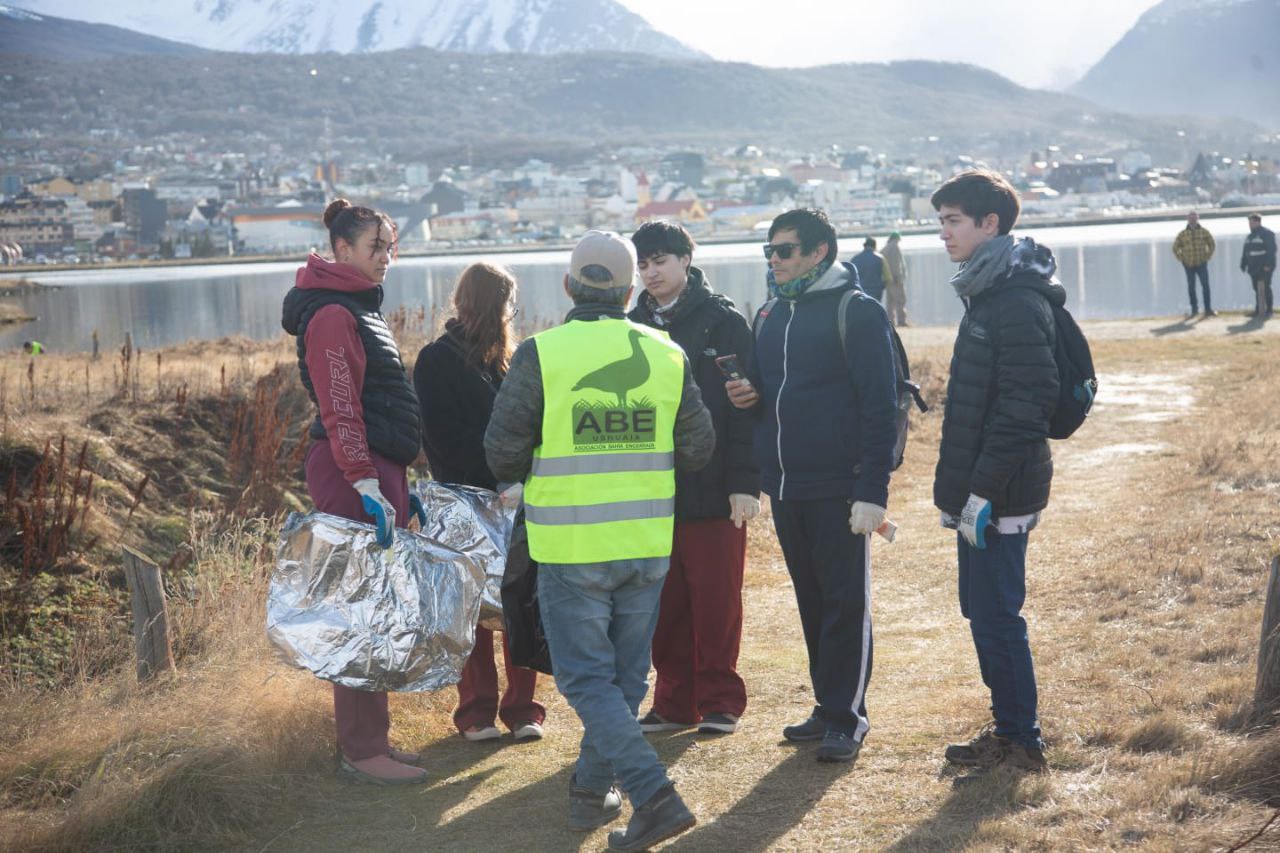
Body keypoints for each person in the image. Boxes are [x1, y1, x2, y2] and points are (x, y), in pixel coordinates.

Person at [485, 230, 713, 850]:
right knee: (626, 675)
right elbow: (698, 447)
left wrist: (532, 468)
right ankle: (590, 793)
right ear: (629, 289)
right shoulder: (666, 352)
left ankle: (656, 797)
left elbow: (501, 448)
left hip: (570, 547)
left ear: (568, 287)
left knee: (588, 681)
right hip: (645, 541)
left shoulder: (542, 353)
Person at [726, 208, 899, 764]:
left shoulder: (858, 311)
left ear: (819, 251)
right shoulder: (770, 312)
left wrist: (873, 493)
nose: (774, 261)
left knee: (845, 603)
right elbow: (764, 392)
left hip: (842, 485)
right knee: (812, 599)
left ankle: (848, 718)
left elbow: (882, 408)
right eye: (769, 252)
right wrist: (745, 396)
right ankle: (828, 707)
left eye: (785, 250)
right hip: (787, 485)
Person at [280, 198, 427, 785]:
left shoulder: (356, 306)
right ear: (342, 250)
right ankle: (361, 750)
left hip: (371, 469)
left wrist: (399, 482)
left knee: (378, 608)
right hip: (349, 473)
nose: (387, 258)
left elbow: (375, 402)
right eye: (377, 247)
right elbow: (341, 406)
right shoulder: (335, 314)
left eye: (391, 246)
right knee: (356, 611)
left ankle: (375, 743)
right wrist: (367, 480)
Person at [931, 169, 1061, 774]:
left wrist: (980, 491)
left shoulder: (1013, 299)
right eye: (941, 222)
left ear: (992, 224)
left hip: (1002, 491)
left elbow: (1023, 408)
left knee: (998, 615)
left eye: (954, 221)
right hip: (982, 488)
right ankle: (1009, 728)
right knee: (980, 610)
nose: (944, 233)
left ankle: (1022, 742)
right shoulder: (986, 288)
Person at [627, 221, 760, 737]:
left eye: (660, 260)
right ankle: (674, 702)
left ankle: (721, 700)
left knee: (717, 599)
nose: (651, 272)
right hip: (651, 488)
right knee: (663, 602)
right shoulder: (631, 323)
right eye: (642, 264)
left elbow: (745, 407)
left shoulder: (724, 321)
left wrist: (745, 483)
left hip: (715, 483)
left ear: (686, 259)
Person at [413, 262, 546, 744]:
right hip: (461, 500)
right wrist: (502, 475)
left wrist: (521, 477)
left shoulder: (510, 360)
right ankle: (476, 713)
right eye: (509, 302)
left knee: (519, 603)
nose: (513, 312)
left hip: (515, 500)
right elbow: (443, 441)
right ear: (496, 305)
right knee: (470, 609)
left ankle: (524, 710)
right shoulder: (435, 360)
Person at [1172, 211, 1216, 317]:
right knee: (1191, 287)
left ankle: (1208, 309)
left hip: (1202, 263)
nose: (1192, 219)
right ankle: (1194, 310)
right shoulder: (1182, 234)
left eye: (1194, 217)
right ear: (1187, 218)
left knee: (1205, 286)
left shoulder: (1204, 232)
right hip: (1188, 265)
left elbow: (1212, 244)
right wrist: (1182, 259)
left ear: (1198, 218)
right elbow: (1175, 247)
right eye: (1190, 218)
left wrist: (1207, 256)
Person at [1241, 213, 1276, 319]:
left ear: (1258, 222)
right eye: (1249, 222)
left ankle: (1269, 310)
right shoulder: (1250, 236)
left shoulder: (1267, 233)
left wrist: (1268, 265)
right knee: (1256, 288)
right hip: (1253, 267)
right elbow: (1246, 251)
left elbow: (1272, 250)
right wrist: (1243, 264)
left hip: (1264, 267)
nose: (1250, 224)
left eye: (1252, 222)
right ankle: (1258, 310)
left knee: (1266, 288)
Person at [849, 236, 891, 303]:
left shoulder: (855, 259)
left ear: (864, 246)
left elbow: (850, 277)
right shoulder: (880, 258)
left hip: (860, 292)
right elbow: (888, 278)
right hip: (876, 292)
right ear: (875, 246)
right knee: (875, 311)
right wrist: (882, 286)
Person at [882, 231, 909, 326]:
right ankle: (902, 321)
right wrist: (897, 276)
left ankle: (891, 322)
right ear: (896, 239)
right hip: (895, 279)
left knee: (890, 302)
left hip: (887, 279)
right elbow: (896, 263)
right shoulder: (895, 247)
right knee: (901, 300)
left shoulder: (884, 248)